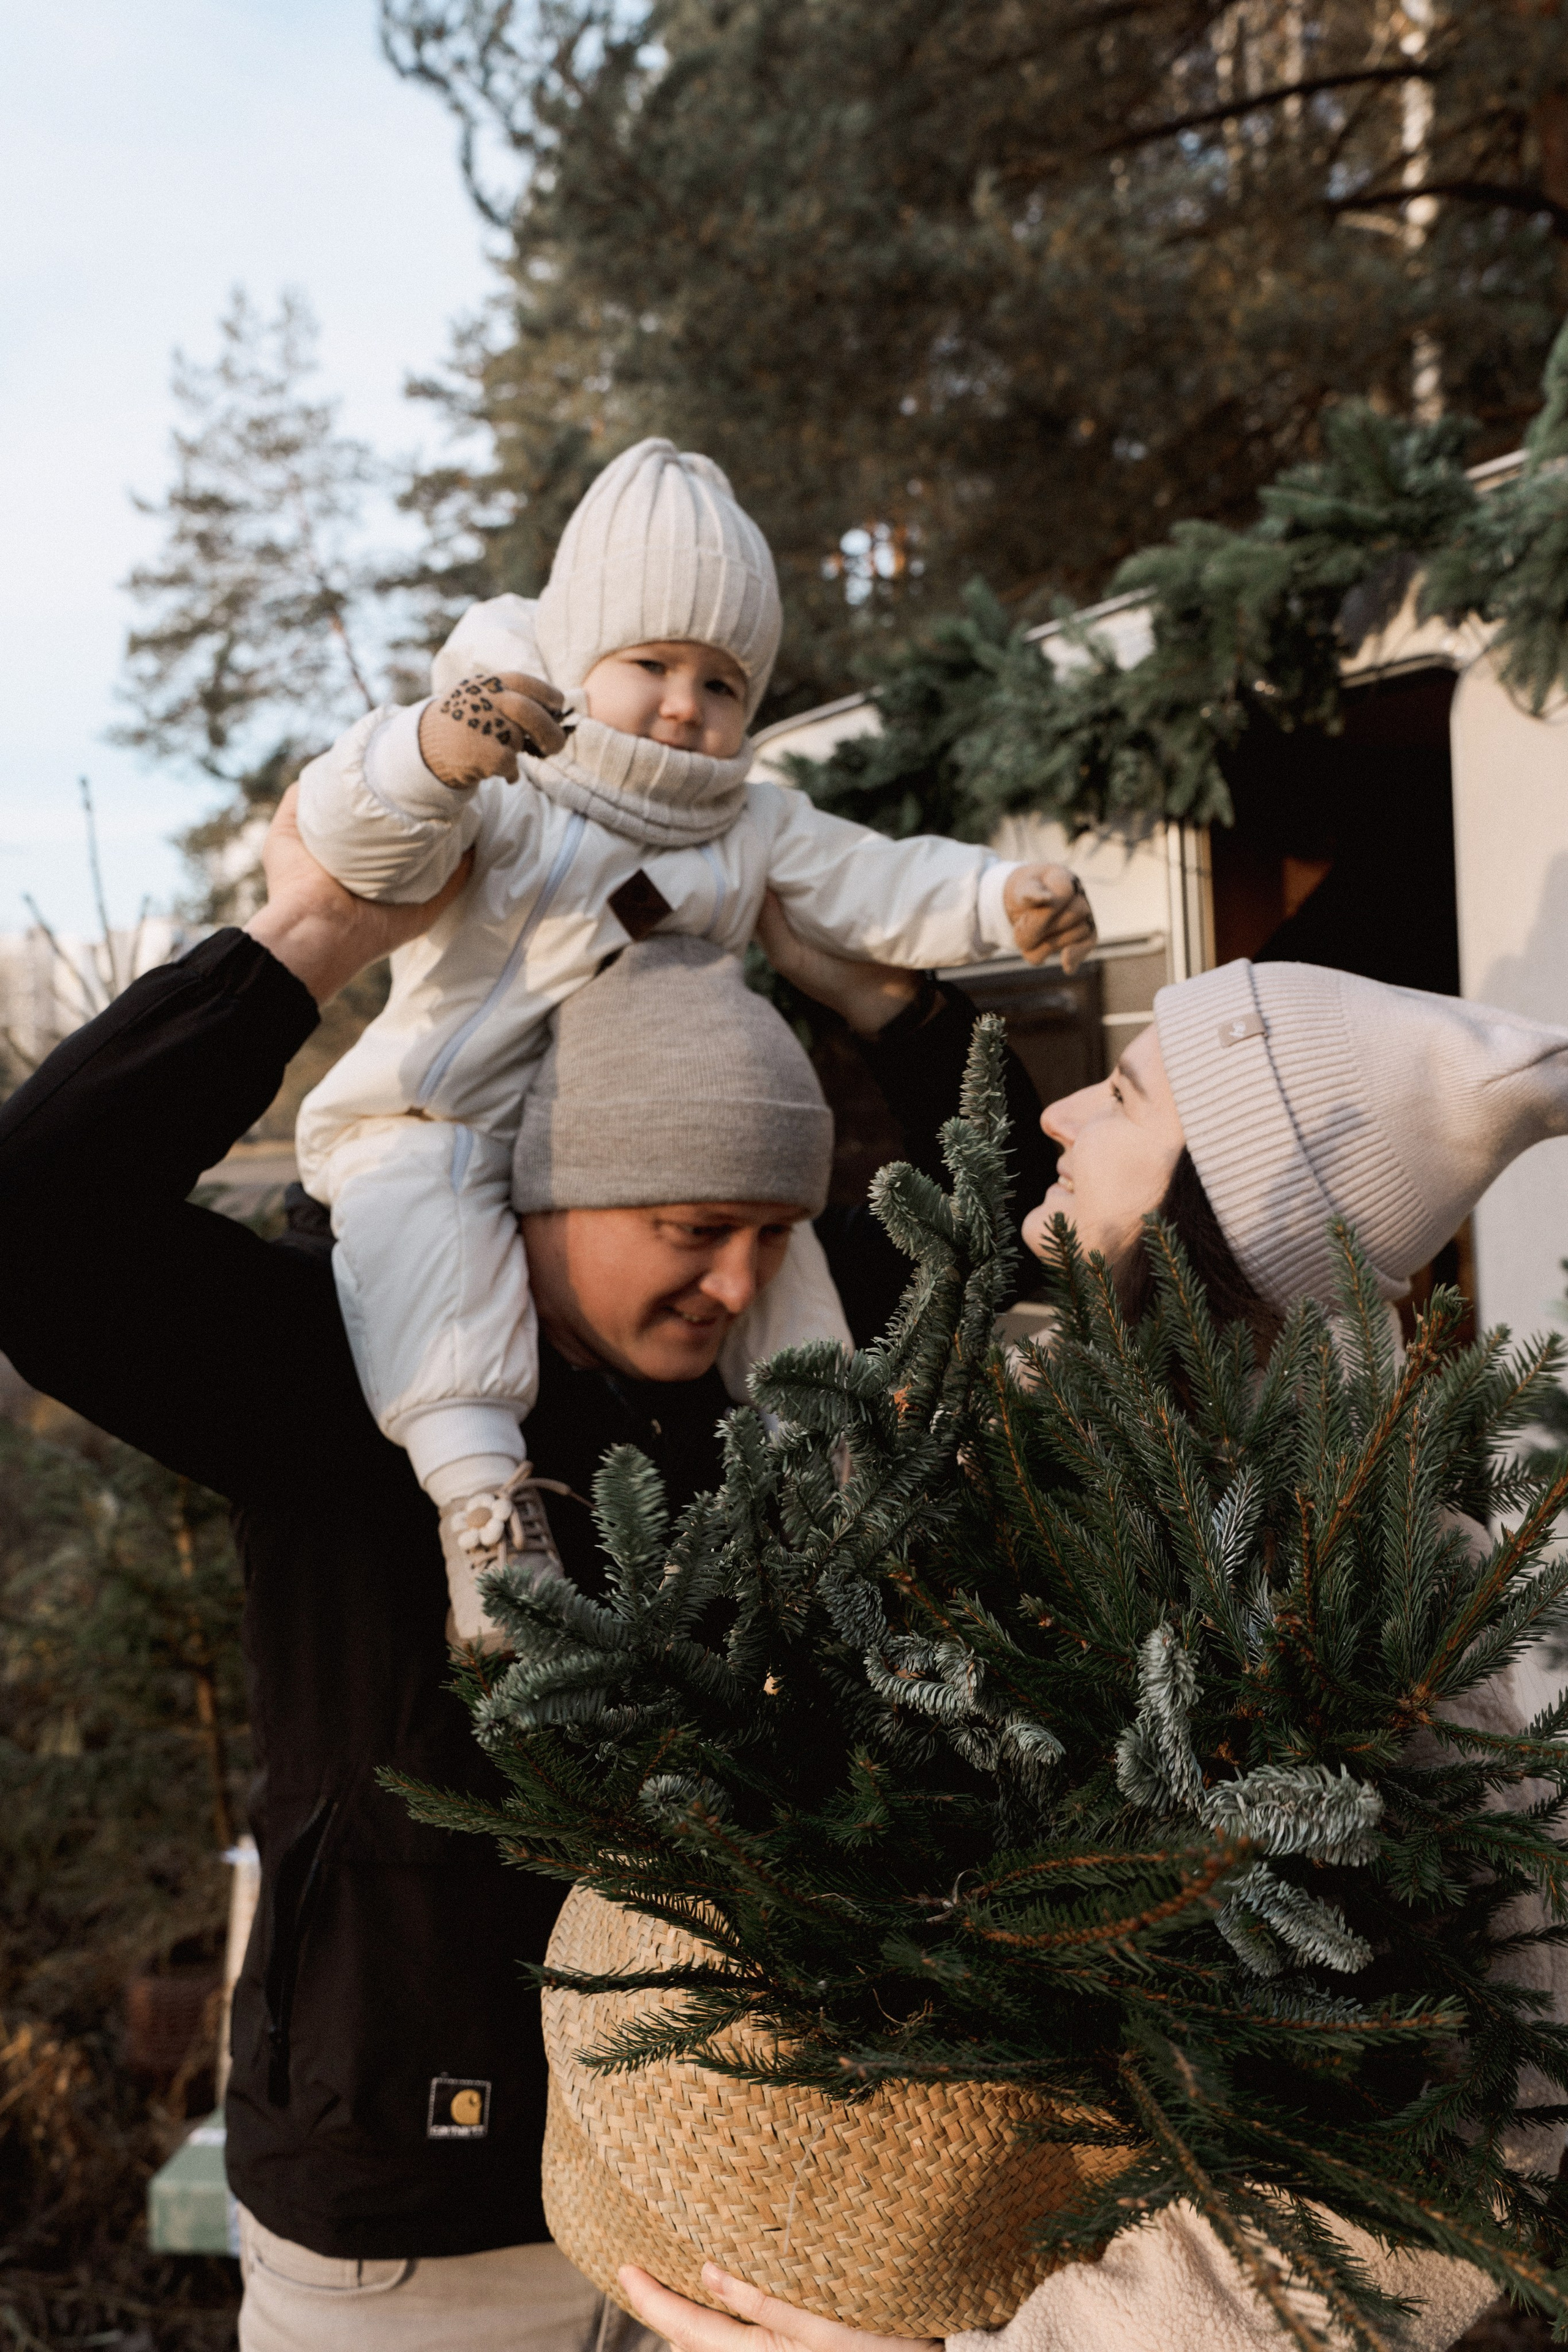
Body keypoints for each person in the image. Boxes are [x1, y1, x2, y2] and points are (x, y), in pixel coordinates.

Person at [0, 789, 1052, 2352]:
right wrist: (321, 935)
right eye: (695, 1226)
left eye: (774, 1230)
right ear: (554, 1185)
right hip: (421, 2212)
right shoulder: (338, 1356)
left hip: (732, 2195)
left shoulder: (783, 1344)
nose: (739, 1280)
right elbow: (35, 1222)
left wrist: (877, 990)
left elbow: (1014, 1215)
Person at [615, 952, 1568, 2352]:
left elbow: (1459, 2137)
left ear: (1226, 1212)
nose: (1056, 1116)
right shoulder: (1000, 1446)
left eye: (1122, 1094)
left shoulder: (1369, 1588)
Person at [287, 435, 1095, 1640]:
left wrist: (995, 899)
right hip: (445, 1112)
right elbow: (357, 839)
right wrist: (432, 757)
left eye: (722, 683)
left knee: (783, 1271)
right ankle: (486, 1515)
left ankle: (822, 1488)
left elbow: (875, 882)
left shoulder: (749, 821)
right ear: (575, 656)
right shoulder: (514, 780)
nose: (684, 702)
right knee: (424, 1246)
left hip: (664, 1148)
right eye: (650, 662)